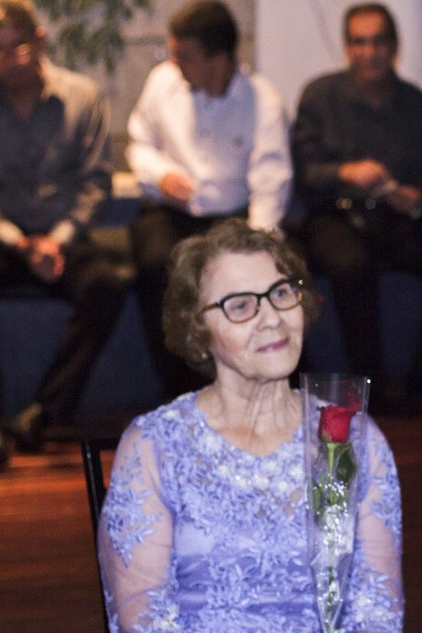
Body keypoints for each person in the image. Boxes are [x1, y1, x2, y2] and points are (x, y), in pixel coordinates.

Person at [97, 220, 404, 633]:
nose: (271, 318)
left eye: (281, 293)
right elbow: (144, 627)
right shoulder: (155, 446)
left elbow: (377, 610)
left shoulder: (347, 439)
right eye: (240, 305)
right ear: (198, 329)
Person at [0, 0, 126, 469]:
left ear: (39, 40)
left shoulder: (83, 97)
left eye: (18, 46)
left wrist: (58, 240)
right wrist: (17, 240)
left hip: (63, 235)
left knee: (107, 285)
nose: (9, 59)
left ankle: (42, 412)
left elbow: (97, 184)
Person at [127, 0, 292, 400]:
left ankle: (257, 387)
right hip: (173, 212)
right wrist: (161, 175)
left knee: (251, 276)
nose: (174, 63)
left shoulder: (263, 101)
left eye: (184, 56)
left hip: (232, 218)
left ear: (218, 59)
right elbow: (138, 144)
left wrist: (256, 245)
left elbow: (270, 181)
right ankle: (177, 388)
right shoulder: (163, 82)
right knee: (155, 265)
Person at [291, 2, 422, 407]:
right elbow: (304, 176)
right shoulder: (320, 96)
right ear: (347, 47)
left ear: (394, 46)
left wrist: (412, 198)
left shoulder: (419, 105)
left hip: (395, 218)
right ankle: (367, 387)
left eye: (378, 42)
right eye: (359, 42)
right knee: (349, 263)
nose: (369, 52)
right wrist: (346, 172)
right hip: (334, 215)